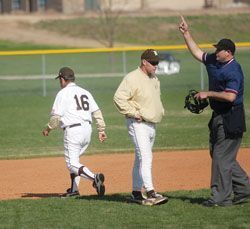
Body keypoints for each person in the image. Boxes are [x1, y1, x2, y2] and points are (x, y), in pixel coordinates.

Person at [179, 16, 250, 207]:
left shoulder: (233, 70)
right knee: (219, 155)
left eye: (219, 49)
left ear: (228, 52)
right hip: (218, 116)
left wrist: (208, 93)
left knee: (221, 157)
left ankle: (221, 198)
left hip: (231, 116)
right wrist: (186, 33)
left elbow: (230, 97)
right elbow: (197, 53)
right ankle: (244, 188)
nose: (215, 51)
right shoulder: (214, 61)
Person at [113, 49, 168, 205]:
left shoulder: (154, 79)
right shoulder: (132, 78)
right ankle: (151, 192)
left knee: (140, 158)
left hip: (151, 124)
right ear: (144, 62)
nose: (156, 65)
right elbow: (118, 98)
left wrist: (161, 110)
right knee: (146, 157)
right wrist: (132, 112)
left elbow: (156, 98)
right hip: (138, 124)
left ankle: (136, 192)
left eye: (157, 62)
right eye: (153, 62)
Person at [42, 67, 107, 197]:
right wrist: (101, 130)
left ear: (63, 79)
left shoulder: (62, 93)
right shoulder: (85, 92)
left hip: (73, 131)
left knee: (72, 164)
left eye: (59, 79)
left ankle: (95, 177)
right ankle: (74, 190)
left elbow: (56, 118)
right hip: (87, 130)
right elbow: (97, 112)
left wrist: (48, 129)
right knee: (75, 161)